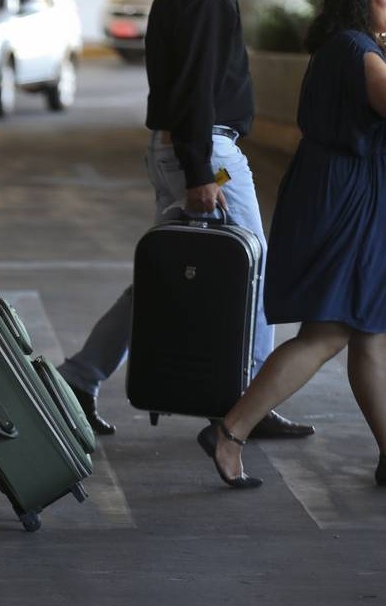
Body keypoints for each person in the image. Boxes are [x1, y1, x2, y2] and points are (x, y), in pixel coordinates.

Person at [56, 0, 315, 441]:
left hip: (179, 147)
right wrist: (199, 172)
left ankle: (78, 379)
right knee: (252, 269)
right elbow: (197, 83)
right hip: (205, 152)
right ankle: (248, 403)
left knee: (164, 276)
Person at [201, 0, 386, 489]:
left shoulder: (343, 47)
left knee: (369, 331)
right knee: (329, 332)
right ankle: (231, 429)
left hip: (341, 195)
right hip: (348, 202)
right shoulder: (356, 50)